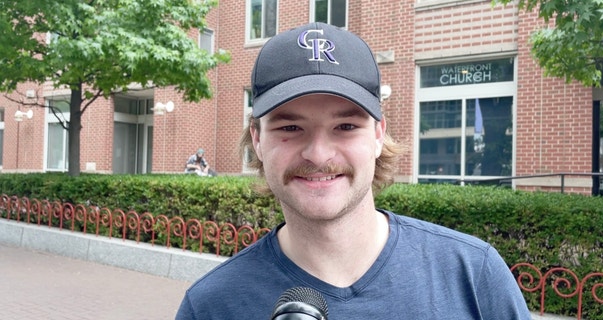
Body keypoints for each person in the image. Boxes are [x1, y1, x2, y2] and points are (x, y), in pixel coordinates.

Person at [176, 22, 530, 319]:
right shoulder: (210, 306)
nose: (318, 154)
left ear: (378, 135)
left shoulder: (473, 277)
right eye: (290, 128)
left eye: (345, 126)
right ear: (257, 139)